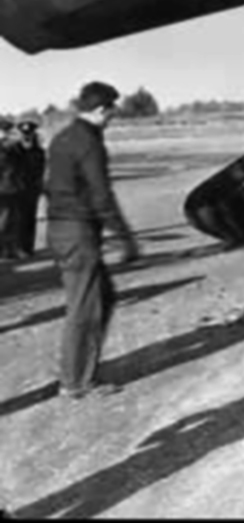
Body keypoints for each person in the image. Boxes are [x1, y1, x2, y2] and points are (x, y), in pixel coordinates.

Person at [46, 81, 140, 399]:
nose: (113, 117)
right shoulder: (88, 142)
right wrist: (125, 238)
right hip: (78, 231)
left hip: (62, 227)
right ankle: (75, 381)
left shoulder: (63, 137)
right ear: (101, 110)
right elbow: (102, 195)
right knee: (86, 306)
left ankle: (78, 370)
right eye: (112, 111)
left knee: (104, 296)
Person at [14, 119, 46, 257]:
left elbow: (41, 169)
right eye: (24, 134)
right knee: (17, 220)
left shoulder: (39, 151)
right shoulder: (14, 150)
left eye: (29, 134)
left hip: (32, 189)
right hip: (17, 189)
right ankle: (17, 247)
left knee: (30, 218)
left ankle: (28, 246)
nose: (27, 136)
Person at [0, 118, 23, 261]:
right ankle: (6, 250)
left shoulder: (11, 147)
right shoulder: (7, 148)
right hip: (6, 188)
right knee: (6, 220)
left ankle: (9, 250)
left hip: (10, 187)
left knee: (10, 220)